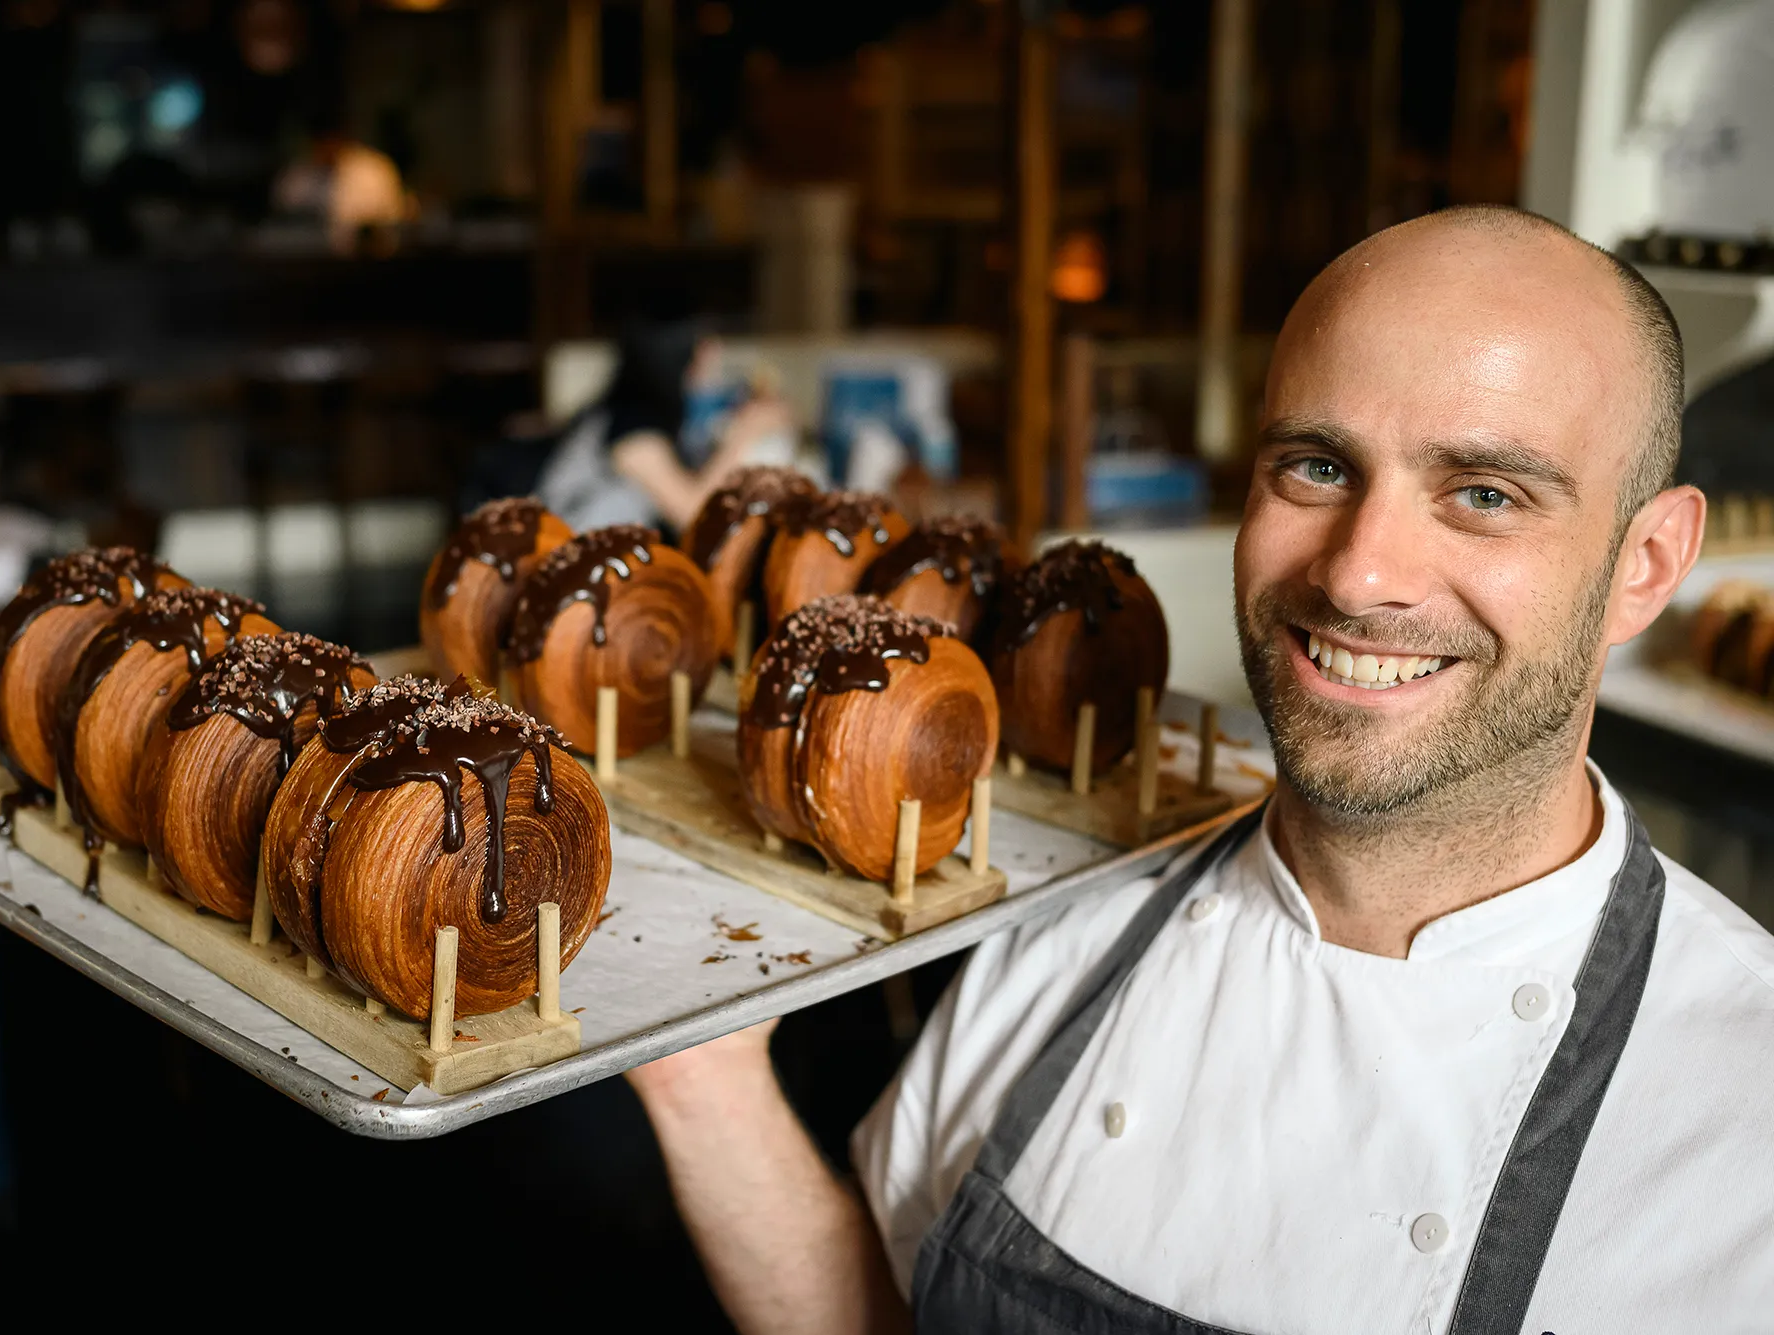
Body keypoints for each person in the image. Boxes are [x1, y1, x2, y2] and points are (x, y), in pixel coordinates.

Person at [625, 206, 1774, 1333]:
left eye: (1483, 494)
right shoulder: (1058, 923)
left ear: (1646, 561)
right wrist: (703, 1080)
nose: (1359, 574)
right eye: (1316, 467)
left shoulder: (1741, 1118)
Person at [536, 322, 795, 533]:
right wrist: (744, 435)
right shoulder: (631, 425)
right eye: (704, 344)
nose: (715, 353)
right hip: (578, 570)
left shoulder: (655, 413)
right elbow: (692, 515)